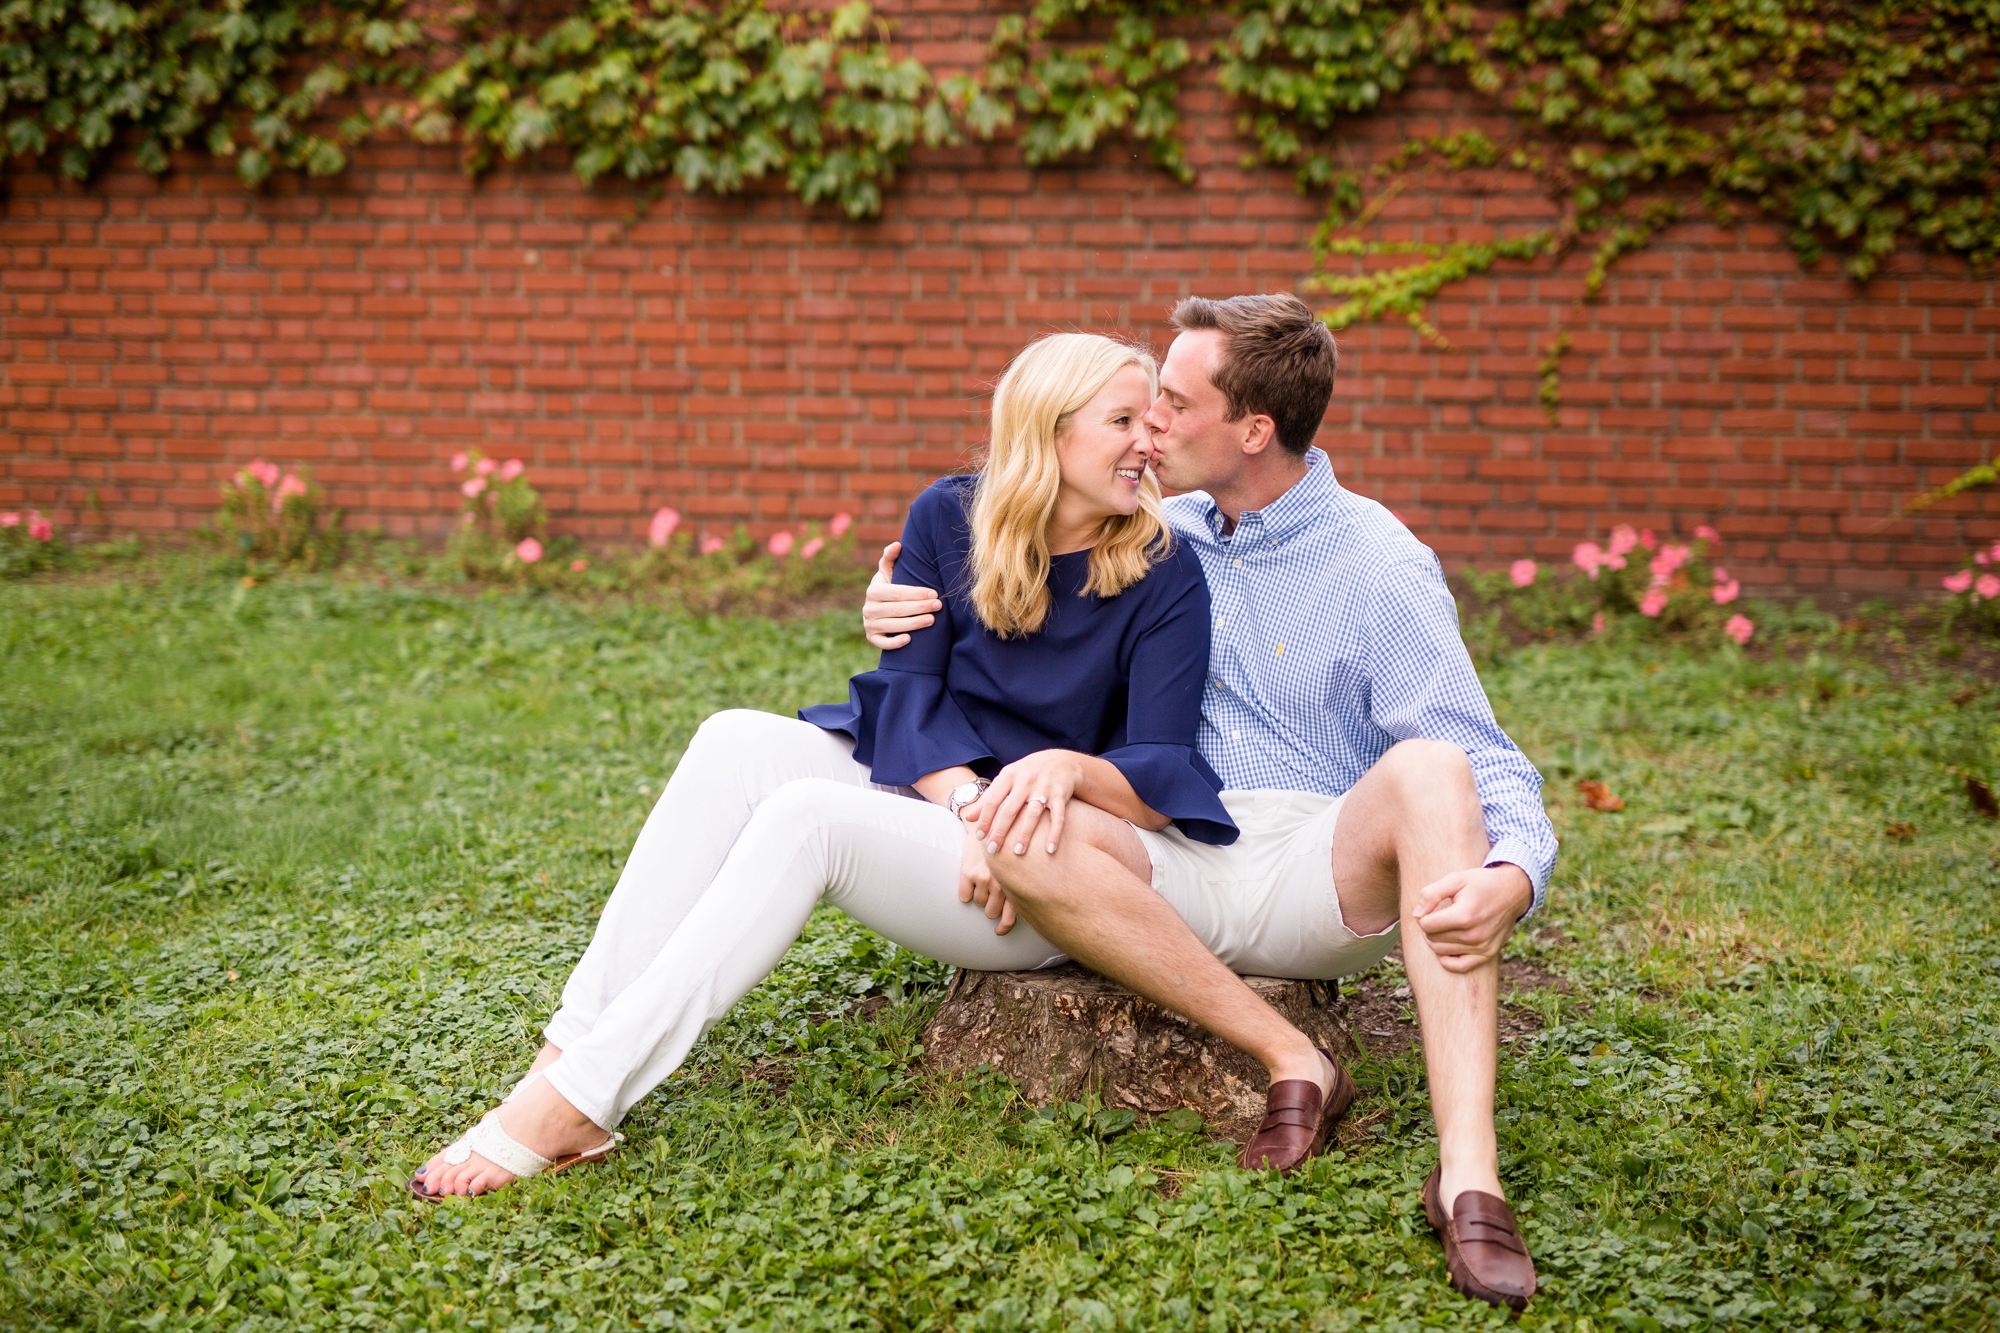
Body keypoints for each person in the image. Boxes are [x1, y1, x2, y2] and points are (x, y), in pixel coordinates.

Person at [409, 332, 1259, 1201]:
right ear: (1048, 430)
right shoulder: (947, 515)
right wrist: (972, 804)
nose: (1147, 442)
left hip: (1048, 864)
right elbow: (909, 696)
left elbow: (1158, 766)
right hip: (954, 803)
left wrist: (1014, 816)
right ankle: (570, 1050)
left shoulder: (1163, 571)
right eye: (1122, 419)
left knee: (807, 816)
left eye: (1148, 421)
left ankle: (579, 1101)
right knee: (733, 735)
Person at [862, 293, 1555, 1311]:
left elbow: (1482, 751)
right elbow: (996, 579)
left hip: (1315, 862)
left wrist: (1513, 870)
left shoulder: (1379, 564)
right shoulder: (1136, 521)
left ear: (1251, 431)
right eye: (1135, 413)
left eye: (1169, 407)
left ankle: (1468, 1177)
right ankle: (1294, 1058)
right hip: (1163, 845)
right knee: (1017, 822)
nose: (1144, 429)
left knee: (1432, 768)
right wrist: (894, 601)